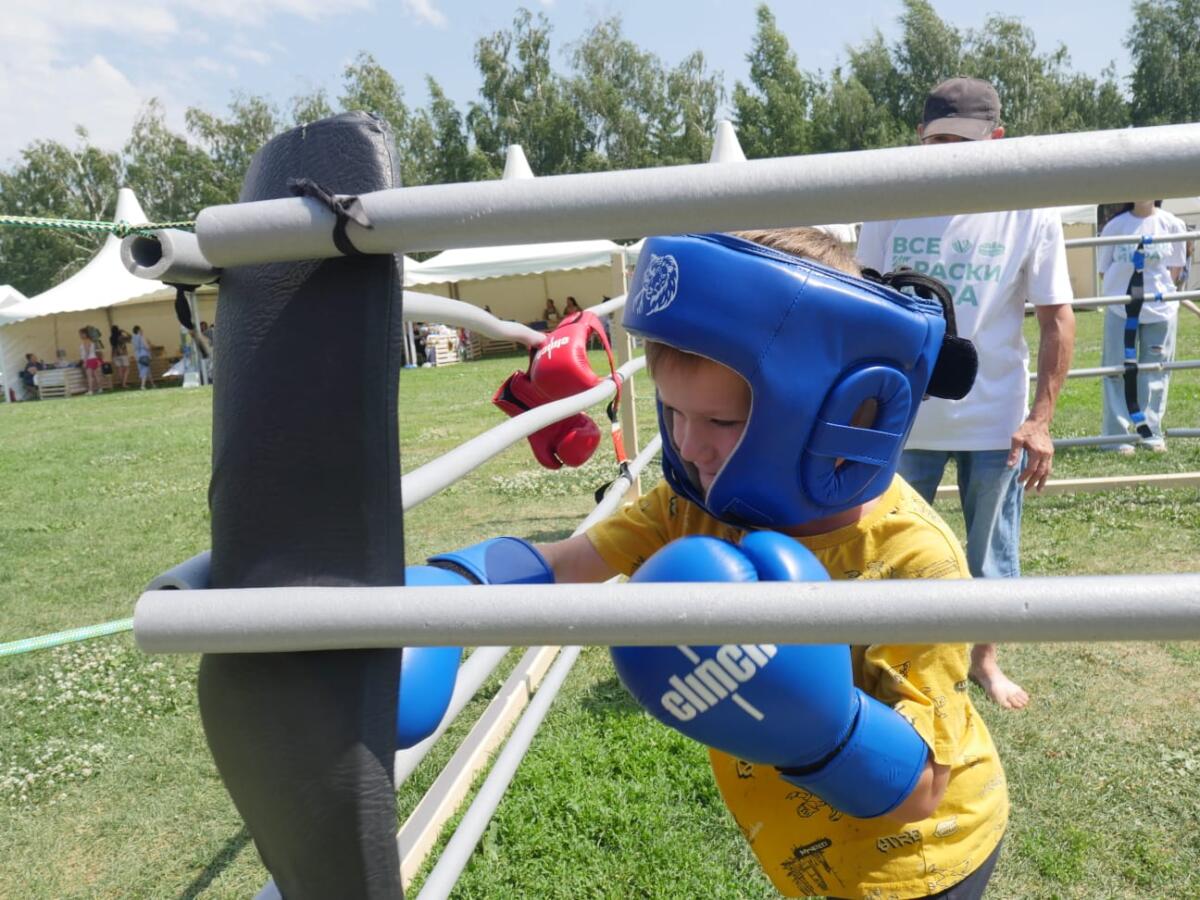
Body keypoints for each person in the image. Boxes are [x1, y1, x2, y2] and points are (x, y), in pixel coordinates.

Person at [438, 228, 1006, 898]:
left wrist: (820, 728)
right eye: (673, 412)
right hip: (812, 862)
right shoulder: (698, 505)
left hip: (925, 864)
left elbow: (919, 792)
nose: (689, 445)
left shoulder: (913, 559)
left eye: (723, 422)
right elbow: (568, 562)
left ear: (840, 411)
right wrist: (442, 594)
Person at [857, 77, 1076, 711]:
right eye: (937, 142)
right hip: (906, 415)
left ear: (997, 140)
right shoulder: (889, 197)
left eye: (964, 142)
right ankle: (889, 657)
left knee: (993, 556)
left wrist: (1040, 419)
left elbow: (1056, 317)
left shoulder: (1028, 204)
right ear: (919, 139)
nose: (948, 154)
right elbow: (867, 304)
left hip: (994, 419)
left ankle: (985, 661)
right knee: (887, 544)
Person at [1097, 200, 1188, 454]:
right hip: (1120, 307)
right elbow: (1104, 269)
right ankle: (1115, 435)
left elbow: (1176, 269)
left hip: (1160, 310)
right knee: (1116, 370)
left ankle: (1149, 431)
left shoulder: (1173, 224)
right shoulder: (1115, 226)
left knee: (1154, 371)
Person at [79, 327, 104, 394]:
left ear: (84, 334)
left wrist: (85, 361)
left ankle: (90, 390)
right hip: (94, 359)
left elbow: (87, 352)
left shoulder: (86, 341)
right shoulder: (91, 341)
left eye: (81, 334)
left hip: (89, 360)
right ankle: (100, 389)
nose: (80, 336)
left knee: (89, 376)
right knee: (96, 375)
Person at [131, 325, 155, 389]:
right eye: (141, 330)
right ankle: (142, 385)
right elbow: (146, 347)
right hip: (144, 355)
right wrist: (150, 345)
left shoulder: (133, 338)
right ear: (138, 331)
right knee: (145, 369)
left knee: (145, 370)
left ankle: (153, 384)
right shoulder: (141, 337)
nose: (142, 331)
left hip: (137, 356)